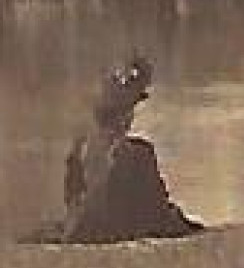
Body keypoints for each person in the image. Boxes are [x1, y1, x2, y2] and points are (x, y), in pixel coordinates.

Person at [61, 56, 204, 242]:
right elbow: (156, 213)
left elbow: (72, 203)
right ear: (127, 116)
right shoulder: (138, 153)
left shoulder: (78, 149)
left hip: (80, 233)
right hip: (116, 234)